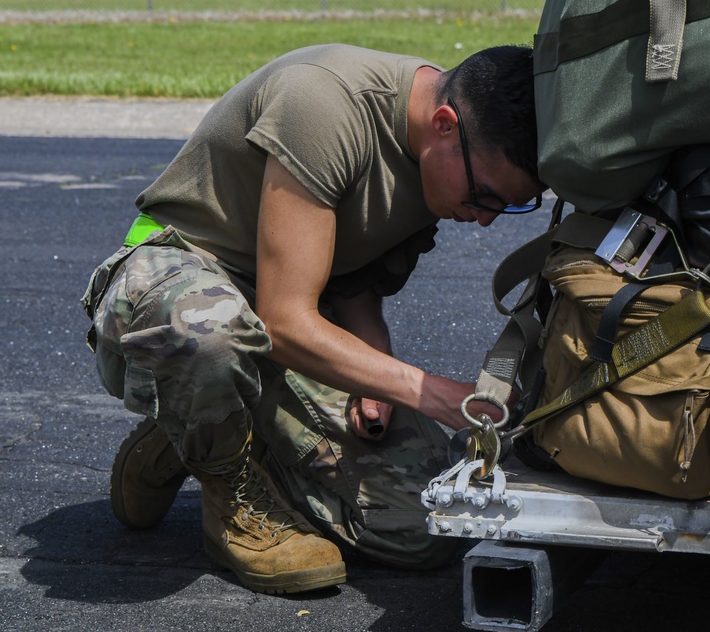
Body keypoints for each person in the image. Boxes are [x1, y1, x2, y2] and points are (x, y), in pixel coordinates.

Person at [81, 43, 542, 596]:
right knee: (210, 332)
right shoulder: (324, 104)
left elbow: (355, 282)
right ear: (445, 124)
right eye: (486, 196)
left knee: (425, 527)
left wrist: (379, 382)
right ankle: (232, 496)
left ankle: (201, 425)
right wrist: (432, 393)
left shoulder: (440, 163)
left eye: (510, 206)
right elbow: (283, 321)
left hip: (279, 324)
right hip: (177, 284)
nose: (487, 220)